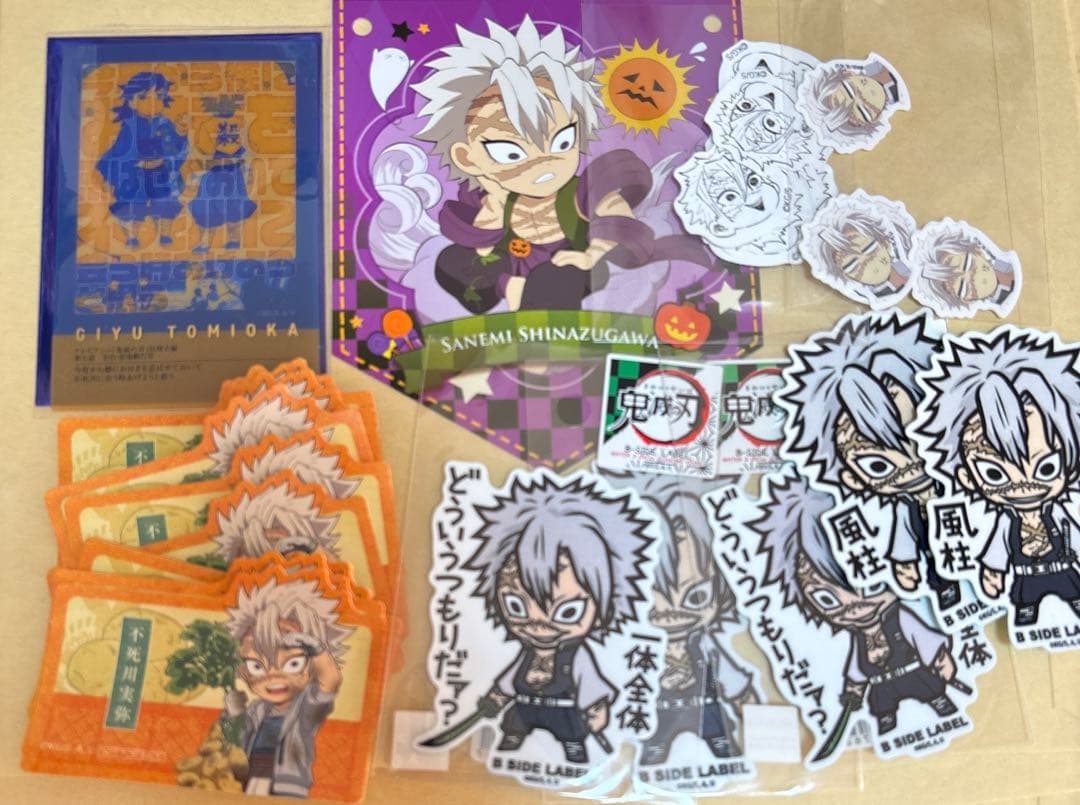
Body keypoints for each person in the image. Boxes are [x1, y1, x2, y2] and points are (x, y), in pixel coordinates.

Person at [465, 473, 654, 762]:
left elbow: (589, 682)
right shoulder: (526, 652)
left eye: (567, 612)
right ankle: (510, 746)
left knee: (573, 743)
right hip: (524, 707)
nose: (538, 624)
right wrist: (497, 698)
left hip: (564, 711)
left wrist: (596, 708)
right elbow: (510, 677)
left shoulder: (577, 655)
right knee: (512, 734)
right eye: (516, 606)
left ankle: (575, 755)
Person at [780, 312, 962, 610]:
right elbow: (903, 541)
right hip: (935, 572)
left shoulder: (958, 488)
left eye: (918, 441)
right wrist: (905, 564)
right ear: (850, 477)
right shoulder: (902, 508)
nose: (910, 464)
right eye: (878, 465)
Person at [755, 472, 959, 735]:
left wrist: (940, 659)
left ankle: (939, 701)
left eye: (871, 585)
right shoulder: (857, 637)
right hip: (882, 685)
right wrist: (853, 690)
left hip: (915, 673)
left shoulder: (900, 617)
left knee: (931, 691)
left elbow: (923, 637)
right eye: (826, 598)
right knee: (883, 709)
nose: (854, 607)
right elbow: (856, 666)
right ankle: (886, 721)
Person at [914, 328, 1080, 626]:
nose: (1024, 486)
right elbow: (998, 548)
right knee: (1025, 615)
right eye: (995, 474)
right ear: (966, 477)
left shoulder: (1060, 513)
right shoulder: (1004, 522)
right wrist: (993, 571)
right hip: (1025, 580)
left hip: (1065, 574)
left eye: (1046, 468)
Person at [224, 578, 352, 797]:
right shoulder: (258, 709)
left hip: (286, 784)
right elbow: (239, 739)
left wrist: (317, 649)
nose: (273, 677)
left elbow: (329, 681)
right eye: (257, 667)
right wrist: (235, 714)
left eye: (293, 664)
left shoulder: (305, 707)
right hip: (250, 778)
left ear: (311, 665)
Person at [96, 71, 188, 248]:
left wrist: (181, 133)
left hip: (161, 173)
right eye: (144, 97)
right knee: (133, 204)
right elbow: (119, 152)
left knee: (165, 203)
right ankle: (132, 237)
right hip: (136, 174)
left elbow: (175, 149)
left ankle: (165, 235)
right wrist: (123, 170)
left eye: (159, 97)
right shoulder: (130, 126)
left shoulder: (166, 123)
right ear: (132, 101)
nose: (153, 103)